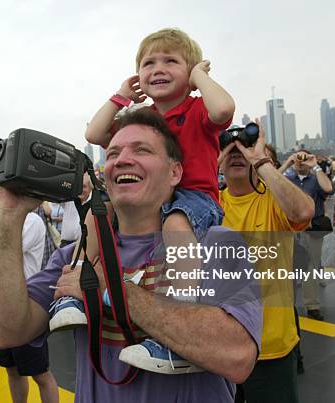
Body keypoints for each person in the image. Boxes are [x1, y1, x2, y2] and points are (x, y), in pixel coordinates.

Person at [0, 109, 262, 402]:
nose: (122, 159)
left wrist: (107, 288)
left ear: (174, 172)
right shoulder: (79, 253)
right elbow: (8, 332)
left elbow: (237, 355)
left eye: (141, 150)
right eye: (113, 152)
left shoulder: (216, 243)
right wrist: (9, 214)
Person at [53, 28, 235, 371]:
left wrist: (199, 77)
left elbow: (223, 107)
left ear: (191, 73)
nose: (158, 68)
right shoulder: (144, 117)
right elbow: (94, 134)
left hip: (194, 198)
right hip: (151, 198)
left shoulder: (196, 110)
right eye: (149, 63)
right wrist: (121, 96)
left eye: (171, 61)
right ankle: (78, 289)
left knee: (177, 221)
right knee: (98, 208)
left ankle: (183, 321)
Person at [218, 121, 314, 403]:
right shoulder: (209, 204)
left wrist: (259, 159)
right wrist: (213, 156)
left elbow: (303, 211)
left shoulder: (273, 200)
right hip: (220, 343)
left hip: (271, 344)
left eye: (243, 151)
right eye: (229, 151)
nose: (237, 154)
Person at [0, 195, 59, 403]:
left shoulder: (32, 220)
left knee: (40, 373)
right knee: (12, 370)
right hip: (0, 304)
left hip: (25, 303)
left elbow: (7, 249)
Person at [282, 150, 335, 321]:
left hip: (312, 228)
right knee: (287, 268)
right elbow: (266, 183)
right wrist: (288, 163)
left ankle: (312, 305)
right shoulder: (288, 179)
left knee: (311, 266)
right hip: (290, 229)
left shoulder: (316, 179)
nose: (300, 161)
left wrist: (316, 166)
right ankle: (288, 305)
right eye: (297, 157)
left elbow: (328, 188)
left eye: (304, 157)